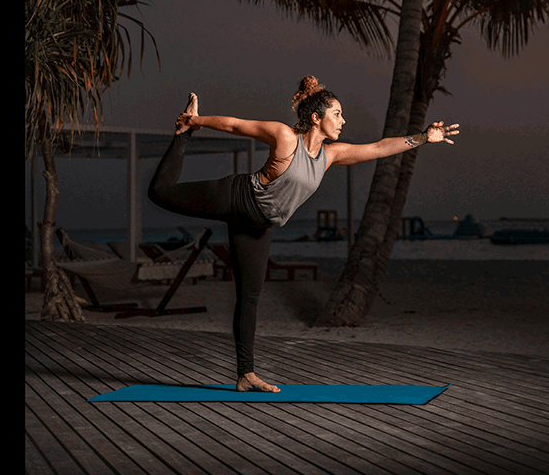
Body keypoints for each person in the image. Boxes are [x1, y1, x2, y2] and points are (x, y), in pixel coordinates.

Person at [146, 75, 460, 393]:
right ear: (316, 117)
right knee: (159, 193)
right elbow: (235, 125)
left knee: (249, 297)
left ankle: (245, 374)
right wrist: (194, 121)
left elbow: (378, 148)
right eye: (337, 113)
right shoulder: (285, 137)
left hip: (259, 225)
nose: (343, 120)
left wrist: (423, 137)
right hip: (237, 197)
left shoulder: (329, 156)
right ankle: (181, 136)